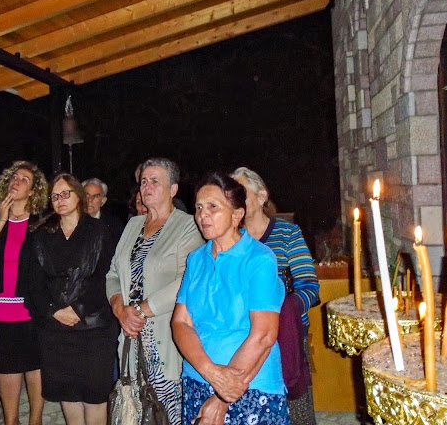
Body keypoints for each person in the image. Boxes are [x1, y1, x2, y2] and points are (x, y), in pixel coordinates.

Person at [172, 172, 289, 425]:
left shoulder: (259, 259)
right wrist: (210, 372)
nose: (203, 215)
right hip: (197, 381)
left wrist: (222, 398)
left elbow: (263, 335)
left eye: (213, 207)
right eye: (199, 208)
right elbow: (180, 323)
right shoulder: (196, 259)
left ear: (236, 215)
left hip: (251, 387)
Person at [106, 157, 204, 424]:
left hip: (165, 338)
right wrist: (120, 310)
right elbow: (113, 274)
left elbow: (188, 280)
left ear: (173, 189)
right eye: (143, 182)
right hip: (130, 338)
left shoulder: (188, 226)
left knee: (167, 413)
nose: (146, 187)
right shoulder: (132, 225)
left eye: (155, 181)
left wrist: (139, 311)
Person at [27, 174, 118, 425]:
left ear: (78, 195)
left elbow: (106, 275)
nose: (60, 200)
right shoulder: (41, 234)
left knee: (94, 395)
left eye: (65, 193)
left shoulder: (100, 230)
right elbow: (33, 280)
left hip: (94, 326)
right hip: (55, 328)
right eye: (55, 196)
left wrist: (78, 308)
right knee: (67, 393)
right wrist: (53, 309)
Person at [231, 166, 320, 424]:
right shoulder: (232, 239)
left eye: (241, 191)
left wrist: (287, 309)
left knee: (296, 410)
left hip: (285, 336)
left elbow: (309, 287)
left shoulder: (288, 234)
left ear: (261, 196)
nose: (235, 197)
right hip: (244, 338)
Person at [0, 161, 48, 425]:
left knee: (35, 366)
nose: (16, 181)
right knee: (6, 365)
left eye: (24, 179)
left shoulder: (42, 222)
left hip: (31, 308)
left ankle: (36, 420)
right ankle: (11, 421)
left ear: (33, 190)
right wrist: (2, 218)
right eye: (14, 177)